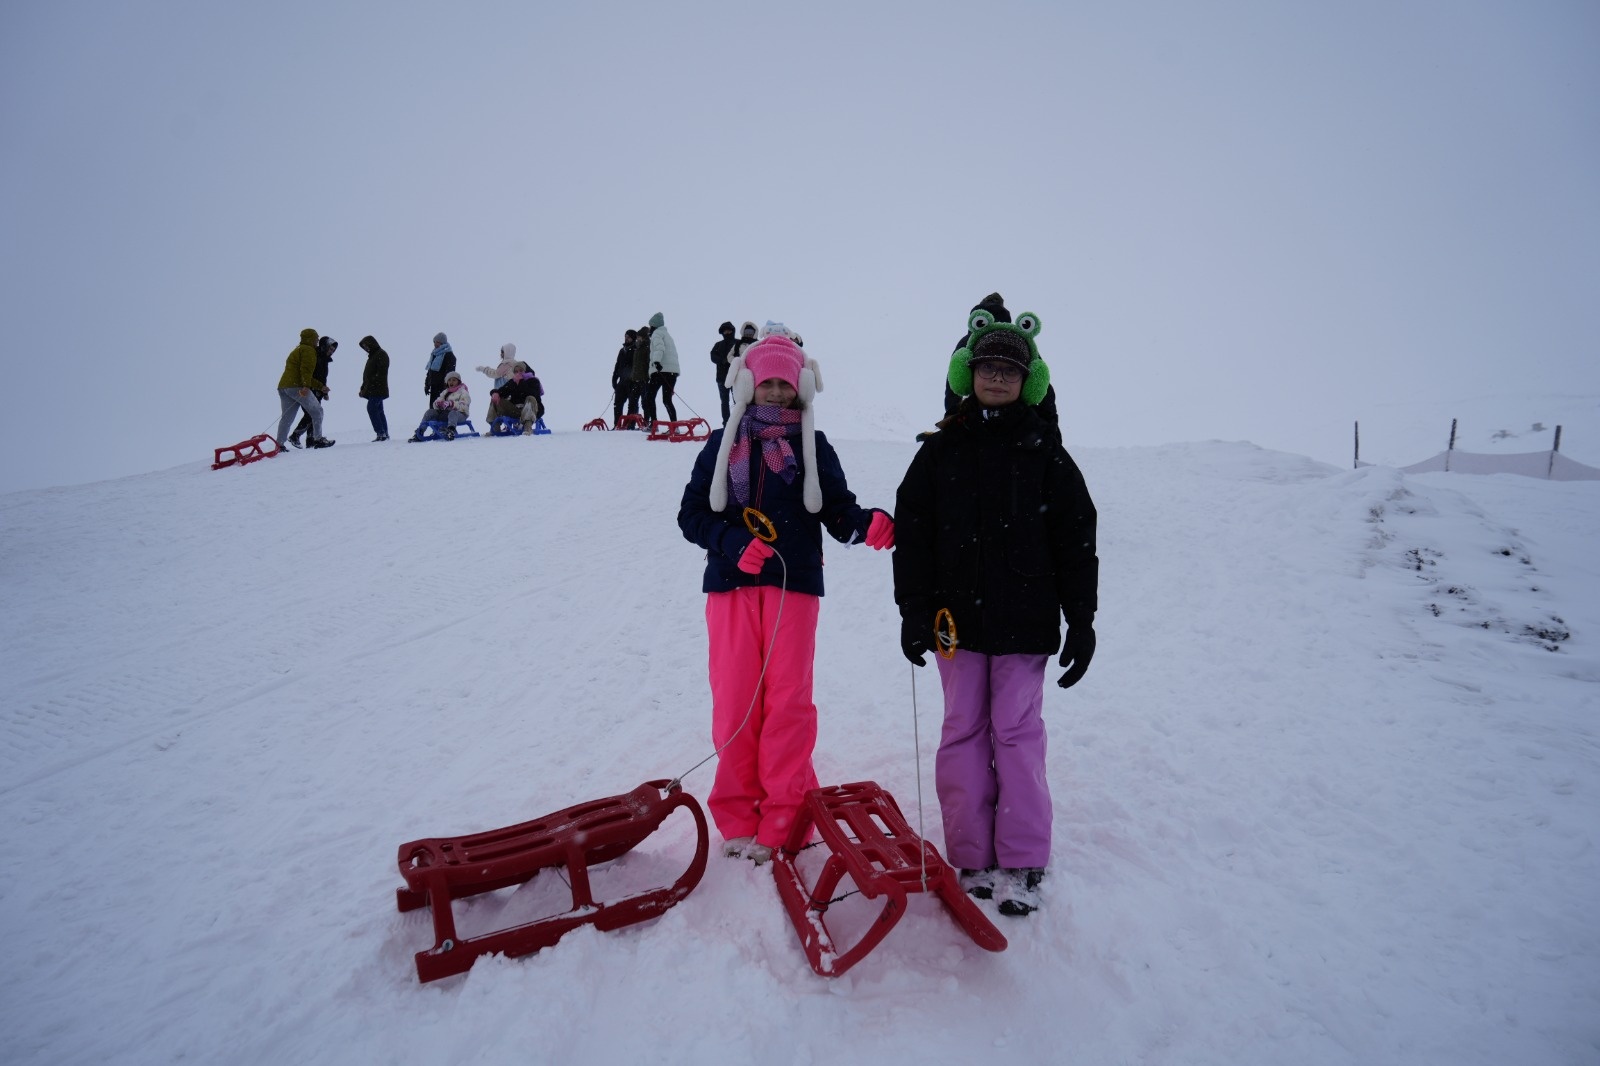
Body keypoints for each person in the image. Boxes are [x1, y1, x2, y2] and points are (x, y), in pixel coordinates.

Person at [892, 304, 1097, 918]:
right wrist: (913, 610)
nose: (999, 377)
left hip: (1024, 623)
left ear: (1029, 380)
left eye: (1012, 369)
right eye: (989, 366)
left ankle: (1025, 856)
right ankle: (972, 853)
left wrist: (1081, 620)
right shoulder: (940, 452)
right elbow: (914, 535)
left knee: (1016, 733)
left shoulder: (1047, 455)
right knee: (961, 731)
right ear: (969, 372)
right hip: (955, 625)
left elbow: (1076, 540)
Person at [677, 327, 895, 864]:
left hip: (793, 589)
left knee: (787, 705)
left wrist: (865, 525)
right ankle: (737, 817)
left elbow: (836, 508)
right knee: (735, 706)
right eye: (766, 382)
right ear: (749, 384)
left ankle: (784, 816)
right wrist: (730, 542)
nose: (775, 391)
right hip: (730, 589)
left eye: (785, 383)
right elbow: (692, 515)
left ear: (800, 388)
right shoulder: (722, 444)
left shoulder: (812, 445)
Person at [275, 328, 334, 449]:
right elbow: (306, 371)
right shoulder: (308, 350)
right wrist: (306, 386)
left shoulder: (297, 350)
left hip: (284, 387)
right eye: (316, 338)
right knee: (317, 411)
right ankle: (318, 439)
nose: (317, 341)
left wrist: (321, 387)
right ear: (311, 338)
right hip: (298, 387)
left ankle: (279, 445)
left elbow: (299, 372)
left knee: (287, 418)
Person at [289, 335, 337, 447]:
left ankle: (310, 440)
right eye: (330, 349)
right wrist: (317, 387)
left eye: (333, 350)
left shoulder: (324, 359)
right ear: (324, 346)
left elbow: (322, 377)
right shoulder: (316, 357)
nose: (331, 352)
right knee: (312, 414)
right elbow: (310, 375)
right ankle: (295, 436)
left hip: (317, 390)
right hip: (309, 389)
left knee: (313, 414)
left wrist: (324, 391)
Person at [407, 370, 471, 441]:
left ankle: (451, 431)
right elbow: (437, 402)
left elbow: (464, 406)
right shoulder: (445, 392)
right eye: (449, 380)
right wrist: (438, 404)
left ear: (458, 381)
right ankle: (420, 432)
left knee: (453, 413)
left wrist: (452, 404)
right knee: (430, 412)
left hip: (460, 414)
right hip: (446, 414)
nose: (451, 382)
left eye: (454, 380)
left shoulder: (463, 391)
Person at [486, 362, 543, 433]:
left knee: (530, 398)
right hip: (516, 411)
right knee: (496, 399)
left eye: (521, 370)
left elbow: (533, 394)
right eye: (516, 371)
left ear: (525, 371)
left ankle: (527, 427)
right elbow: (502, 391)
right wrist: (495, 393)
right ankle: (494, 427)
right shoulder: (512, 382)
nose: (518, 373)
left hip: (532, 409)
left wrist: (521, 382)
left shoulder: (533, 381)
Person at [645, 311, 680, 423]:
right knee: (667, 400)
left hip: (660, 371)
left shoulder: (656, 334)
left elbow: (660, 348)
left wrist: (656, 361)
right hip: (672, 372)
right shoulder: (668, 336)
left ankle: (653, 423)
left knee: (649, 397)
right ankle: (675, 425)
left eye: (650, 326)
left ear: (653, 326)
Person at [358, 335, 391, 441]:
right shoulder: (372, 356)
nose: (366, 348)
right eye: (364, 347)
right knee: (378, 410)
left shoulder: (381, 354)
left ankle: (381, 433)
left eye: (366, 346)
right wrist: (363, 388)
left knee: (372, 408)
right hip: (373, 389)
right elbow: (367, 375)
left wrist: (369, 384)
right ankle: (384, 433)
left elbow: (381, 373)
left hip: (378, 389)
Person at [709, 321, 738, 423]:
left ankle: (738, 422)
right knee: (725, 402)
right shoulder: (718, 345)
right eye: (725, 331)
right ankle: (726, 424)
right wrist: (722, 360)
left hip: (736, 378)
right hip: (722, 378)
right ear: (722, 332)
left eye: (728, 330)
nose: (727, 332)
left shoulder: (738, 343)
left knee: (738, 402)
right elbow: (712, 357)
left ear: (732, 331)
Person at [612, 329, 641, 427]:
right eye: (625, 336)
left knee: (632, 404)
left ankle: (630, 425)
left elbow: (638, 365)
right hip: (622, 381)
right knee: (617, 404)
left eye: (628, 337)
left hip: (633, 381)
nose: (626, 338)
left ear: (633, 338)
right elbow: (617, 365)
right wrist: (614, 378)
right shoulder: (622, 350)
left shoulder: (637, 349)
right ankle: (617, 425)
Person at [424, 332, 456, 402]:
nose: (435, 344)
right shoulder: (434, 354)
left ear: (442, 343)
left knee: (441, 409)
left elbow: (450, 373)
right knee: (433, 408)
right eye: (434, 342)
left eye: (437, 342)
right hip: (434, 386)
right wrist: (427, 385)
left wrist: (447, 387)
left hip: (442, 388)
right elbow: (430, 371)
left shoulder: (449, 355)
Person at [632, 324, 653, 423]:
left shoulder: (647, 347)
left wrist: (647, 376)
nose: (637, 339)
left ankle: (647, 420)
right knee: (633, 400)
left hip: (645, 378)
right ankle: (631, 423)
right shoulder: (638, 347)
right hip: (637, 378)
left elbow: (648, 362)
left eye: (639, 337)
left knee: (645, 401)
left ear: (643, 337)